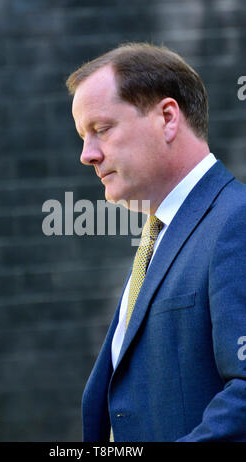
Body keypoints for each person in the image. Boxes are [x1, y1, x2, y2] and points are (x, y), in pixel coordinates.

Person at [66, 42, 246, 442]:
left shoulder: (236, 221)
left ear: (167, 118)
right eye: (83, 136)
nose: (87, 154)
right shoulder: (161, 233)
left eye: (101, 129)